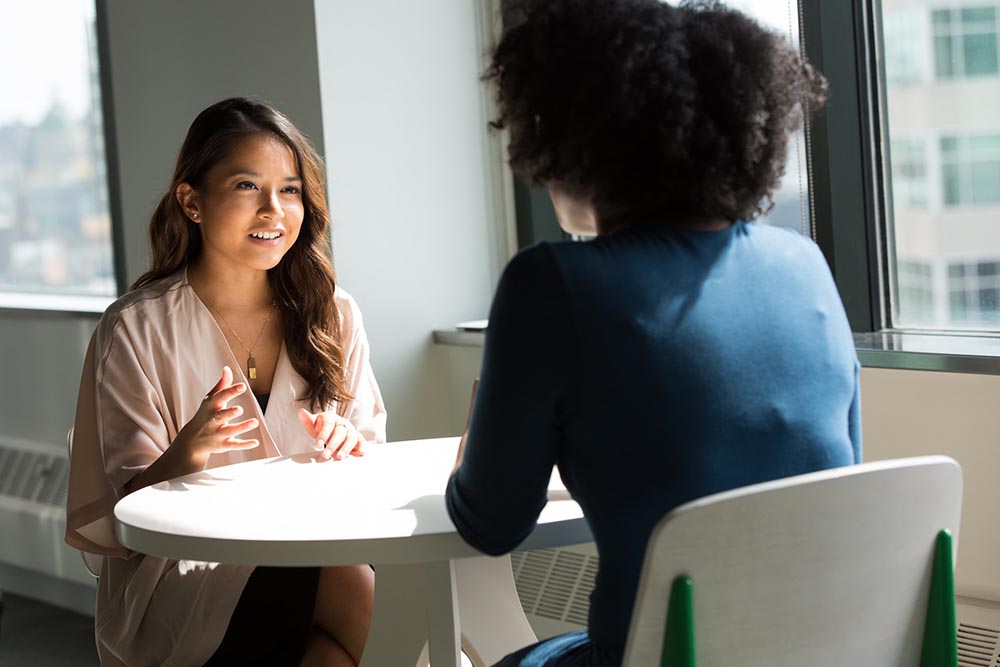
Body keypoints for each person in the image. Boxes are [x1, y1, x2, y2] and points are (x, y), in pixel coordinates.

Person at [445, 1, 860, 665]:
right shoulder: (805, 265)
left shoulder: (551, 282)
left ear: (577, 142)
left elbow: (490, 523)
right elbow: (835, 478)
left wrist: (477, 453)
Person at [65, 97, 386, 667]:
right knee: (355, 587)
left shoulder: (334, 313)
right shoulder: (135, 328)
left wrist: (350, 444)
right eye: (246, 186)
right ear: (191, 201)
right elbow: (125, 518)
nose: (274, 210)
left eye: (289, 190)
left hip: (315, 547)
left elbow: (372, 462)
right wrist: (184, 456)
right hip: (182, 575)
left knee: (335, 641)